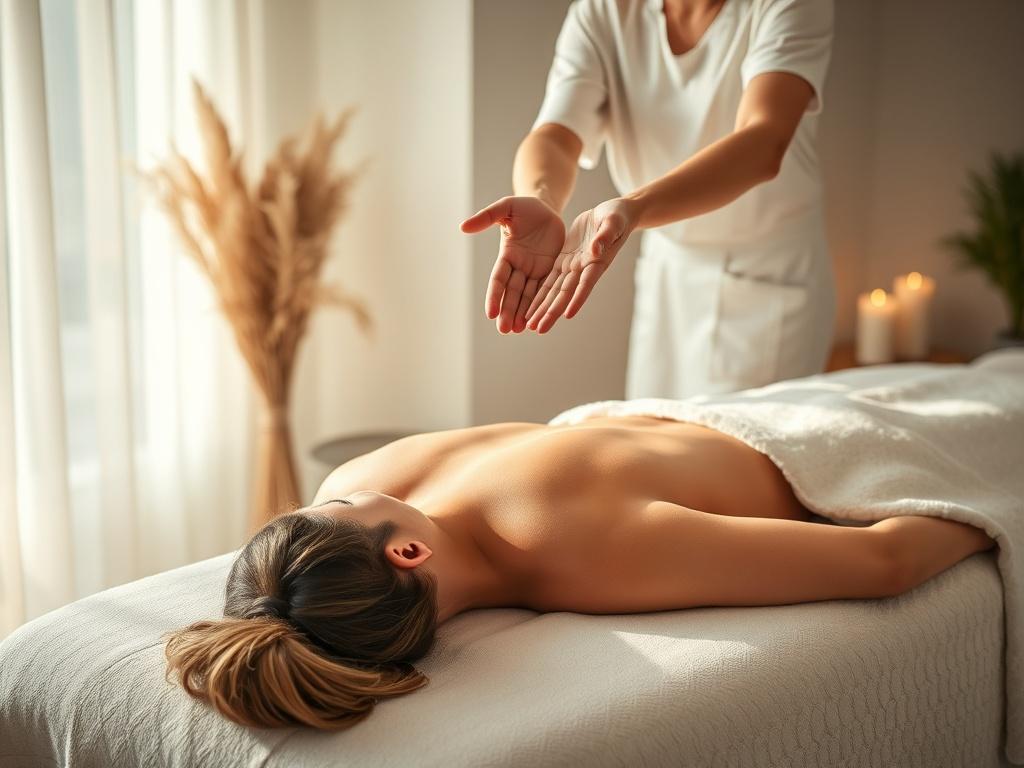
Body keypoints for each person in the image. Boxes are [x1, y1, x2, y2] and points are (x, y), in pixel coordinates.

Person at [165, 415, 993, 729]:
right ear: (406, 554)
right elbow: (885, 560)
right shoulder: (585, 553)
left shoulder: (360, 482)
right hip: (810, 441)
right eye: (338, 510)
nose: (343, 492)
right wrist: (994, 509)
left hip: (695, 409)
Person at [462, 0, 836, 398]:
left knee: (740, 434)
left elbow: (763, 141)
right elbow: (555, 135)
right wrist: (541, 197)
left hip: (767, 276)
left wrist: (635, 207)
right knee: (650, 426)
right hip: (668, 270)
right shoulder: (604, 11)